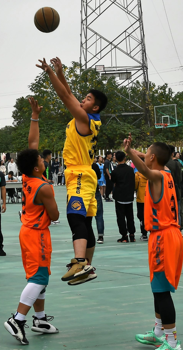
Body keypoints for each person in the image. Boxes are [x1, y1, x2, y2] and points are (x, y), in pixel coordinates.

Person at [37, 56, 107, 285]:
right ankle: (87, 267)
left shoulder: (83, 118)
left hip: (79, 174)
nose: (82, 99)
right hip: (85, 174)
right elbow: (68, 93)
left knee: (74, 216)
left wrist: (49, 72)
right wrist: (60, 73)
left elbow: (64, 96)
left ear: (95, 107)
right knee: (85, 222)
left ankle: (80, 262)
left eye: (88, 98)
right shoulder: (88, 117)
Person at [4, 97, 61, 345]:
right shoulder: (44, 187)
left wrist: (34, 116)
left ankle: (39, 319)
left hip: (28, 231)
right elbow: (55, 216)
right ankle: (17, 319)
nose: (43, 159)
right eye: (40, 160)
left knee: (39, 275)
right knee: (39, 277)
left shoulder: (28, 177)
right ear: (37, 167)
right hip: (37, 234)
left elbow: (32, 144)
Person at [125, 138, 183, 350]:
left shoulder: (156, 176)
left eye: (147, 153)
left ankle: (172, 341)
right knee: (157, 287)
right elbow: (152, 159)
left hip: (163, 237)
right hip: (170, 234)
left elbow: (144, 169)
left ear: (152, 158)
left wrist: (129, 153)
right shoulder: (167, 172)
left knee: (162, 291)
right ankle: (159, 332)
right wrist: (138, 152)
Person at [110, 150, 137, 243]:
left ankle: (124, 236)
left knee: (121, 217)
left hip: (119, 196)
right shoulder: (130, 169)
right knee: (130, 216)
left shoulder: (115, 171)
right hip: (129, 196)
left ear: (116, 159)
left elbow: (113, 182)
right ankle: (132, 235)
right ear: (125, 158)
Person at [93, 159, 105, 244]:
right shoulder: (95, 166)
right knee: (99, 215)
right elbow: (99, 176)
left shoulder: (82, 166)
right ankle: (100, 236)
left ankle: (86, 236)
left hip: (84, 192)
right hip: (95, 191)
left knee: (85, 216)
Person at [135, 168, 148, 241]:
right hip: (150, 199)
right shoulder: (151, 174)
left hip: (141, 199)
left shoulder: (137, 175)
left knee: (141, 217)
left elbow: (135, 186)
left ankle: (144, 234)